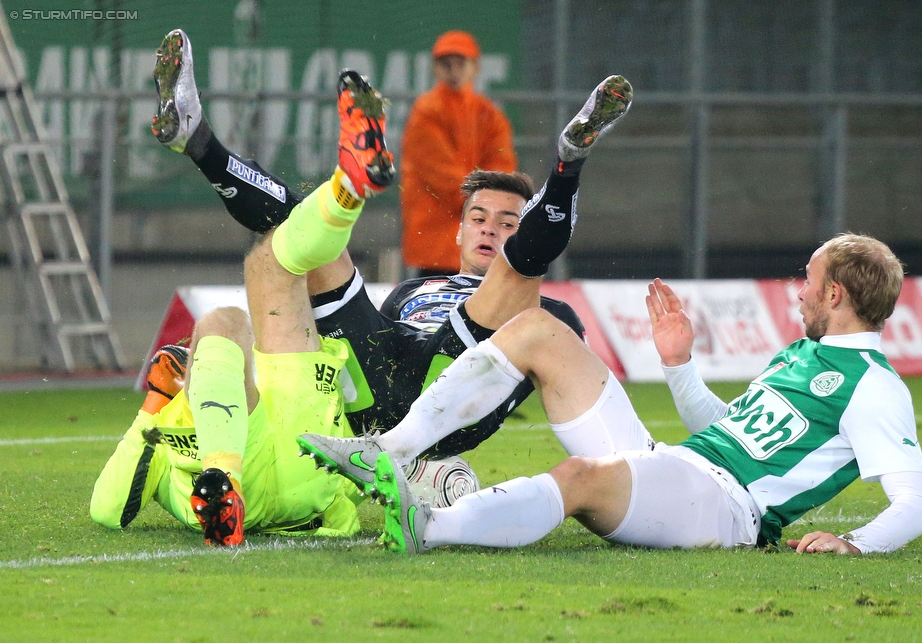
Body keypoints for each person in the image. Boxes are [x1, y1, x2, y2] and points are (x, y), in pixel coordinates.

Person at [150, 28, 634, 461]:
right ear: (459, 232)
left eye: (508, 223)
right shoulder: (410, 290)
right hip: (377, 378)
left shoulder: (551, 316)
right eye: (479, 218)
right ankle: (199, 141)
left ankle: (568, 163)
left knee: (516, 274)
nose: (489, 229)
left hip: (450, 387)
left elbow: (579, 395)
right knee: (303, 232)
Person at [315, 234, 922, 555]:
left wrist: (854, 543)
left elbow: (915, 505)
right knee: (536, 330)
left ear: (836, 297)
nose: (799, 289)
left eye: (811, 279)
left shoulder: (874, 386)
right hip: (683, 467)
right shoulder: (803, 353)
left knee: (582, 476)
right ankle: (388, 451)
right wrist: (678, 365)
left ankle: (432, 528)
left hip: (726, 510)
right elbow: (725, 427)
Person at [90, 29, 396, 546]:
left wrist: (154, 404)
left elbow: (107, 509)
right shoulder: (210, 385)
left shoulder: (164, 436)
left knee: (272, 262)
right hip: (309, 464)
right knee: (242, 299)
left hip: (254, 475)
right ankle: (344, 189)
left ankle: (221, 488)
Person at [400, 30, 518, 276]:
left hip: (473, 237)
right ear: (435, 68)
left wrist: (480, 207)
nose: (454, 71)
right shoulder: (426, 111)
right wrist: (488, 205)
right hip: (439, 242)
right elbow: (440, 175)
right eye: (446, 64)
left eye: (460, 63)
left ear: (475, 67)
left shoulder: (489, 114)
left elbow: (503, 168)